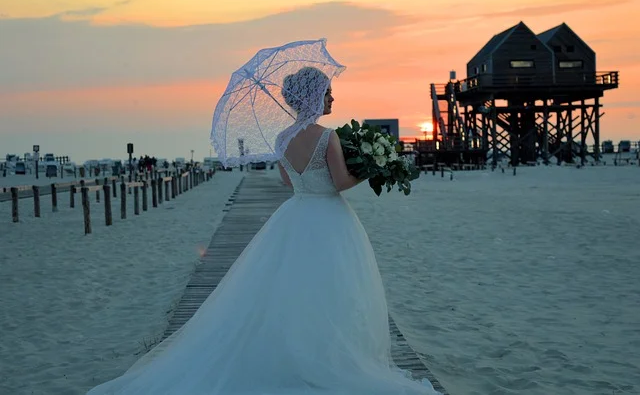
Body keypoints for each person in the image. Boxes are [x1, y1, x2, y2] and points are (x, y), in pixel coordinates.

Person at [86, 67, 441, 394]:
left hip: (295, 215)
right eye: (328, 92)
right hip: (330, 219)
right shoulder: (327, 136)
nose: (333, 98)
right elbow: (340, 182)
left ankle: (295, 352)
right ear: (315, 96)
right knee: (332, 289)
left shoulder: (283, 138)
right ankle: (324, 354)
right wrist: (371, 169)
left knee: (291, 288)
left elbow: (288, 180)